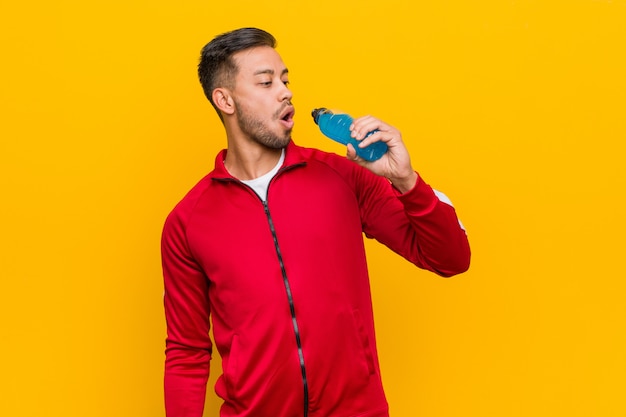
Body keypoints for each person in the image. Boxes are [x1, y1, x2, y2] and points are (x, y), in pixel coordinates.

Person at [161, 27, 470, 417]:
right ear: (225, 100)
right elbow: (186, 352)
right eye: (266, 81)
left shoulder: (343, 176)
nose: (285, 91)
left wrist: (405, 180)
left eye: (285, 79)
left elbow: (450, 258)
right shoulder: (188, 221)